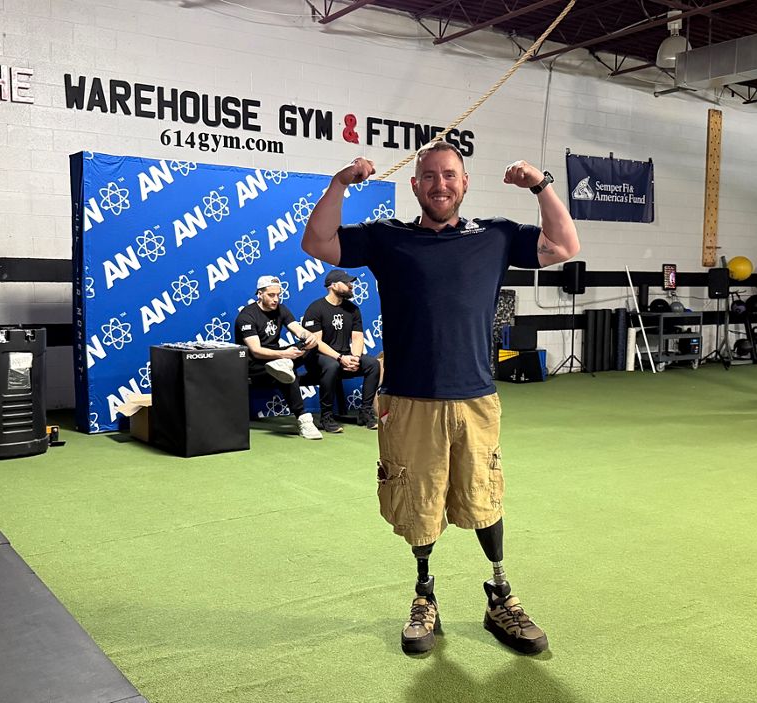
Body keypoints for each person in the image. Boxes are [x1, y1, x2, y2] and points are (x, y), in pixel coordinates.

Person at [301, 141, 580, 656]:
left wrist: (541, 186)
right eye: (429, 176)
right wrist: (340, 184)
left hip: (476, 397)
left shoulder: (495, 235)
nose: (440, 184)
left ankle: (500, 595)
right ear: (415, 185)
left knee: (483, 495)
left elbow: (564, 246)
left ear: (465, 182)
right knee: (418, 500)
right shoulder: (387, 237)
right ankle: (424, 594)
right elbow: (317, 241)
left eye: (449, 175)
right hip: (409, 399)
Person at [234, 275, 322, 440]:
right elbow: (256, 351)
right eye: (271, 295)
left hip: (279, 358)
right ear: (260, 294)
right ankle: (303, 419)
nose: (276, 299)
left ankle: (284, 364)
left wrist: (308, 336)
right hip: (254, 365)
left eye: (278, 295)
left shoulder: (281, 309)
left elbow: (297, 329)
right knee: (288, 375)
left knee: (311, 346)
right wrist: (284, 354)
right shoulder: (247, 316)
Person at [299, 269, 382, 433]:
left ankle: (365, 413)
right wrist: (340, 357)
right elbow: (316, 342)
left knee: (372, 364)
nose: (351, 286)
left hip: (344, 357)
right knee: (332, 366)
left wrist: (355, 358)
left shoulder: (352, 309)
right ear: (333, 285)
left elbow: (357, 337)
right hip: (317, 358)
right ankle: (326, 417)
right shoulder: (315, 308)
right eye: (347, 283)